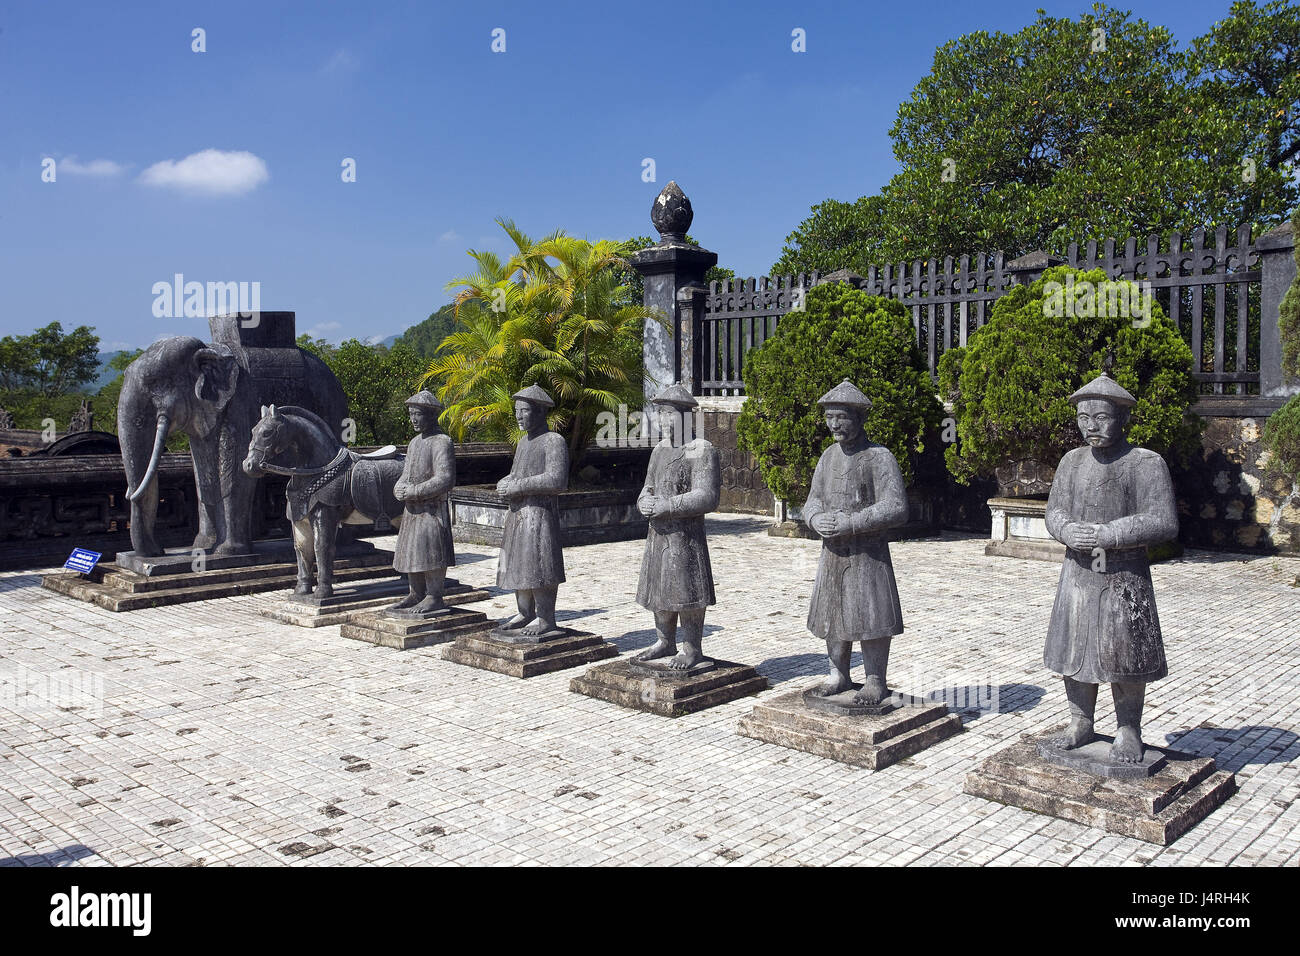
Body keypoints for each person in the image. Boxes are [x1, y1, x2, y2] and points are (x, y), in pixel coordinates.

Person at [1044, 372, 1177, 764]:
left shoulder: (1145, 463)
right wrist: (1067, 529)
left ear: (1124, 419)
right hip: (1078, 572)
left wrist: (1109, 533)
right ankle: (1080, 721)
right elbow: (1055, 510)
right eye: (1083, 418)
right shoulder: (1071, 462)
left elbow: (1163, 520)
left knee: (1124, 654)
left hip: (1124, 576)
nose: (1090, 426)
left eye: (1100, 417)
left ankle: (1128, 729)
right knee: (1075, 649)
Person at [803, 380, 909, 705]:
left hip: (868, 553)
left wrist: (852, 522)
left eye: (841, 417)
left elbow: (896, 506)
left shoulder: (879, 457)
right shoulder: (827, 457)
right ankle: (839, 675)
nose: (833, 424)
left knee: (872, 616)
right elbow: (812, 501)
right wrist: (815, 519)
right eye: (829, 417)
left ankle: (875, 680)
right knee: (833, 613)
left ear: (859, 419)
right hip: (833, 552)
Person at [633, 384, 720, 671]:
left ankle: (692, 648)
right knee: (658, 587)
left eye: (669, 414)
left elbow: (707, 495)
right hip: (658, 533)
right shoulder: (659, 450)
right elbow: (648, 485)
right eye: (660, 414)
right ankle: (664, 640)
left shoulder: (701, 449)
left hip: (685, 537)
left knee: (687, 589)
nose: (663, 420)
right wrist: (644, 501)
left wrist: (667, 505)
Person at [495, 385, 568, 636]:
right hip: (518, 513)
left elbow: (556, 480)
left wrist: (518, 486)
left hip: (539, 513)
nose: (518, 416)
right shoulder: (523, 443)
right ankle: (525, 612)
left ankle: (546, 619)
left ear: (539, 412)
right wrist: (506, 481)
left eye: (524, 410)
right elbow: (518, 473)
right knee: (518, 564)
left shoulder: (553, 441)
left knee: (540, 565)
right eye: (516, 411)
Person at [387, 390, 456, 615]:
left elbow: (445, 478)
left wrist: (415, 491)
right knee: (411, 552)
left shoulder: (442, 442)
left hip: (431, 509)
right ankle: (415, 593)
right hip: (412, 510)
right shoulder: (415, 443)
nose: (414, 419)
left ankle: (434, 596)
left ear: (431, 415)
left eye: (418, 414)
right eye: (411, 414)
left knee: (431, 552)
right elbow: (406, 473)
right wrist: (399, 487)